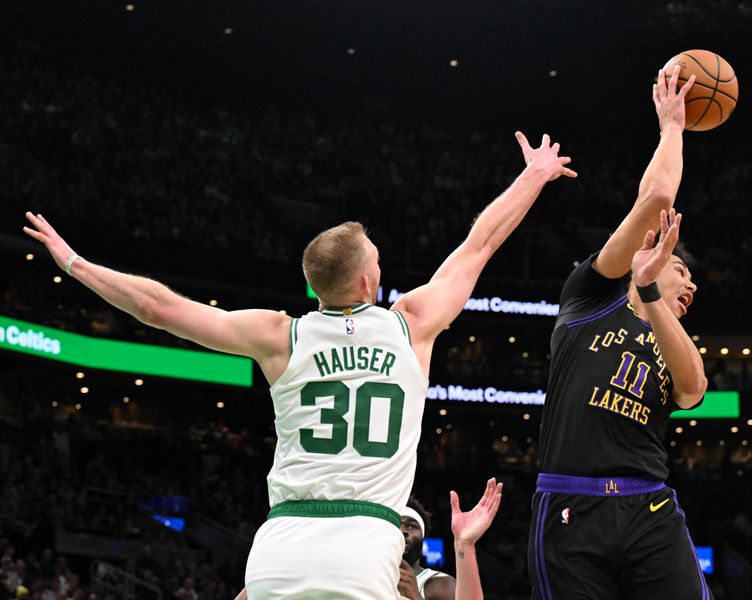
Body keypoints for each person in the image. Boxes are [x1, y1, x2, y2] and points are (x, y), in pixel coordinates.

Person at [24, 132, 575, 600]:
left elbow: (160, 308)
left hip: (279, 547)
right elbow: (478, 246)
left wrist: (75, 264)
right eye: (378, 260)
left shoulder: (280, 335)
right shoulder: (410, 323)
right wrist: (532, 177)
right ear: (366, 281)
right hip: (364, 545)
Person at [528, 65, 714, 599]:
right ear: (650, 257)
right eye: (684, 270)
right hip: (571, 502)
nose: (692, 285)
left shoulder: (667, 332)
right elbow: (655, 202)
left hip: (648, 503)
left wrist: (657, 293)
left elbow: (694, 390)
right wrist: (673, 129)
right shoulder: (590, 297)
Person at [399, 478, 503, 600]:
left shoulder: (440, 586)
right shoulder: (371, 577)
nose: (403, 531)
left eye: (412, 526)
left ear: (423, 539)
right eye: (396, 525)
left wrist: (464, 544)